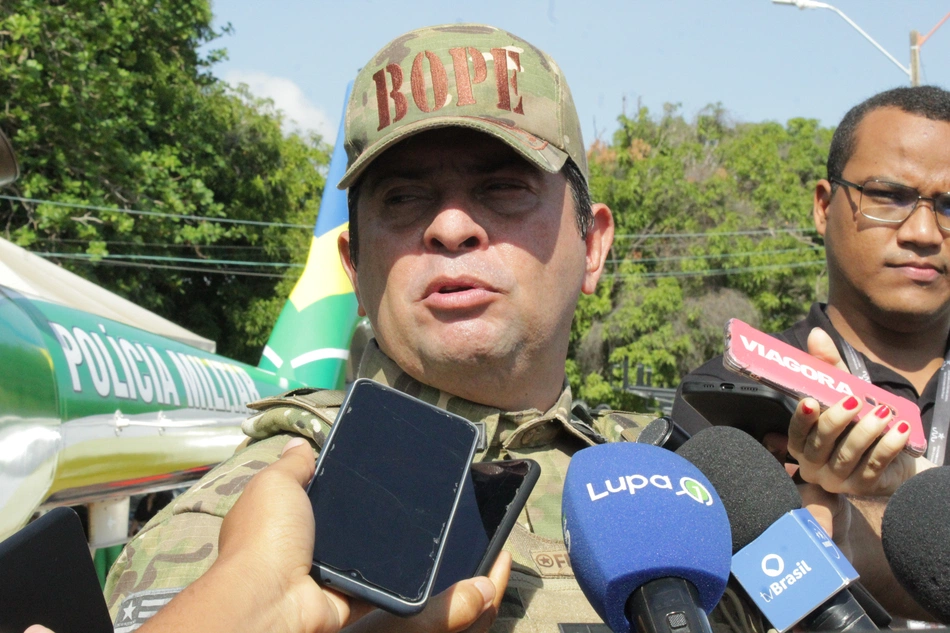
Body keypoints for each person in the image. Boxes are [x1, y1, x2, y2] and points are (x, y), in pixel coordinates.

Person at [105, 24, 654, 632]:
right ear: (355, 267)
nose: (450, 227)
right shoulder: (253, 523)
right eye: (402, 197)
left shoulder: (690, 492)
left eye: (503, 188)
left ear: (593, 244)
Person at [673, 85, 950, 621]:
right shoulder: (730, 408)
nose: (922, 232)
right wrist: (828, 548)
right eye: (888, 196)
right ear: (824, 207)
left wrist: (879, 508)